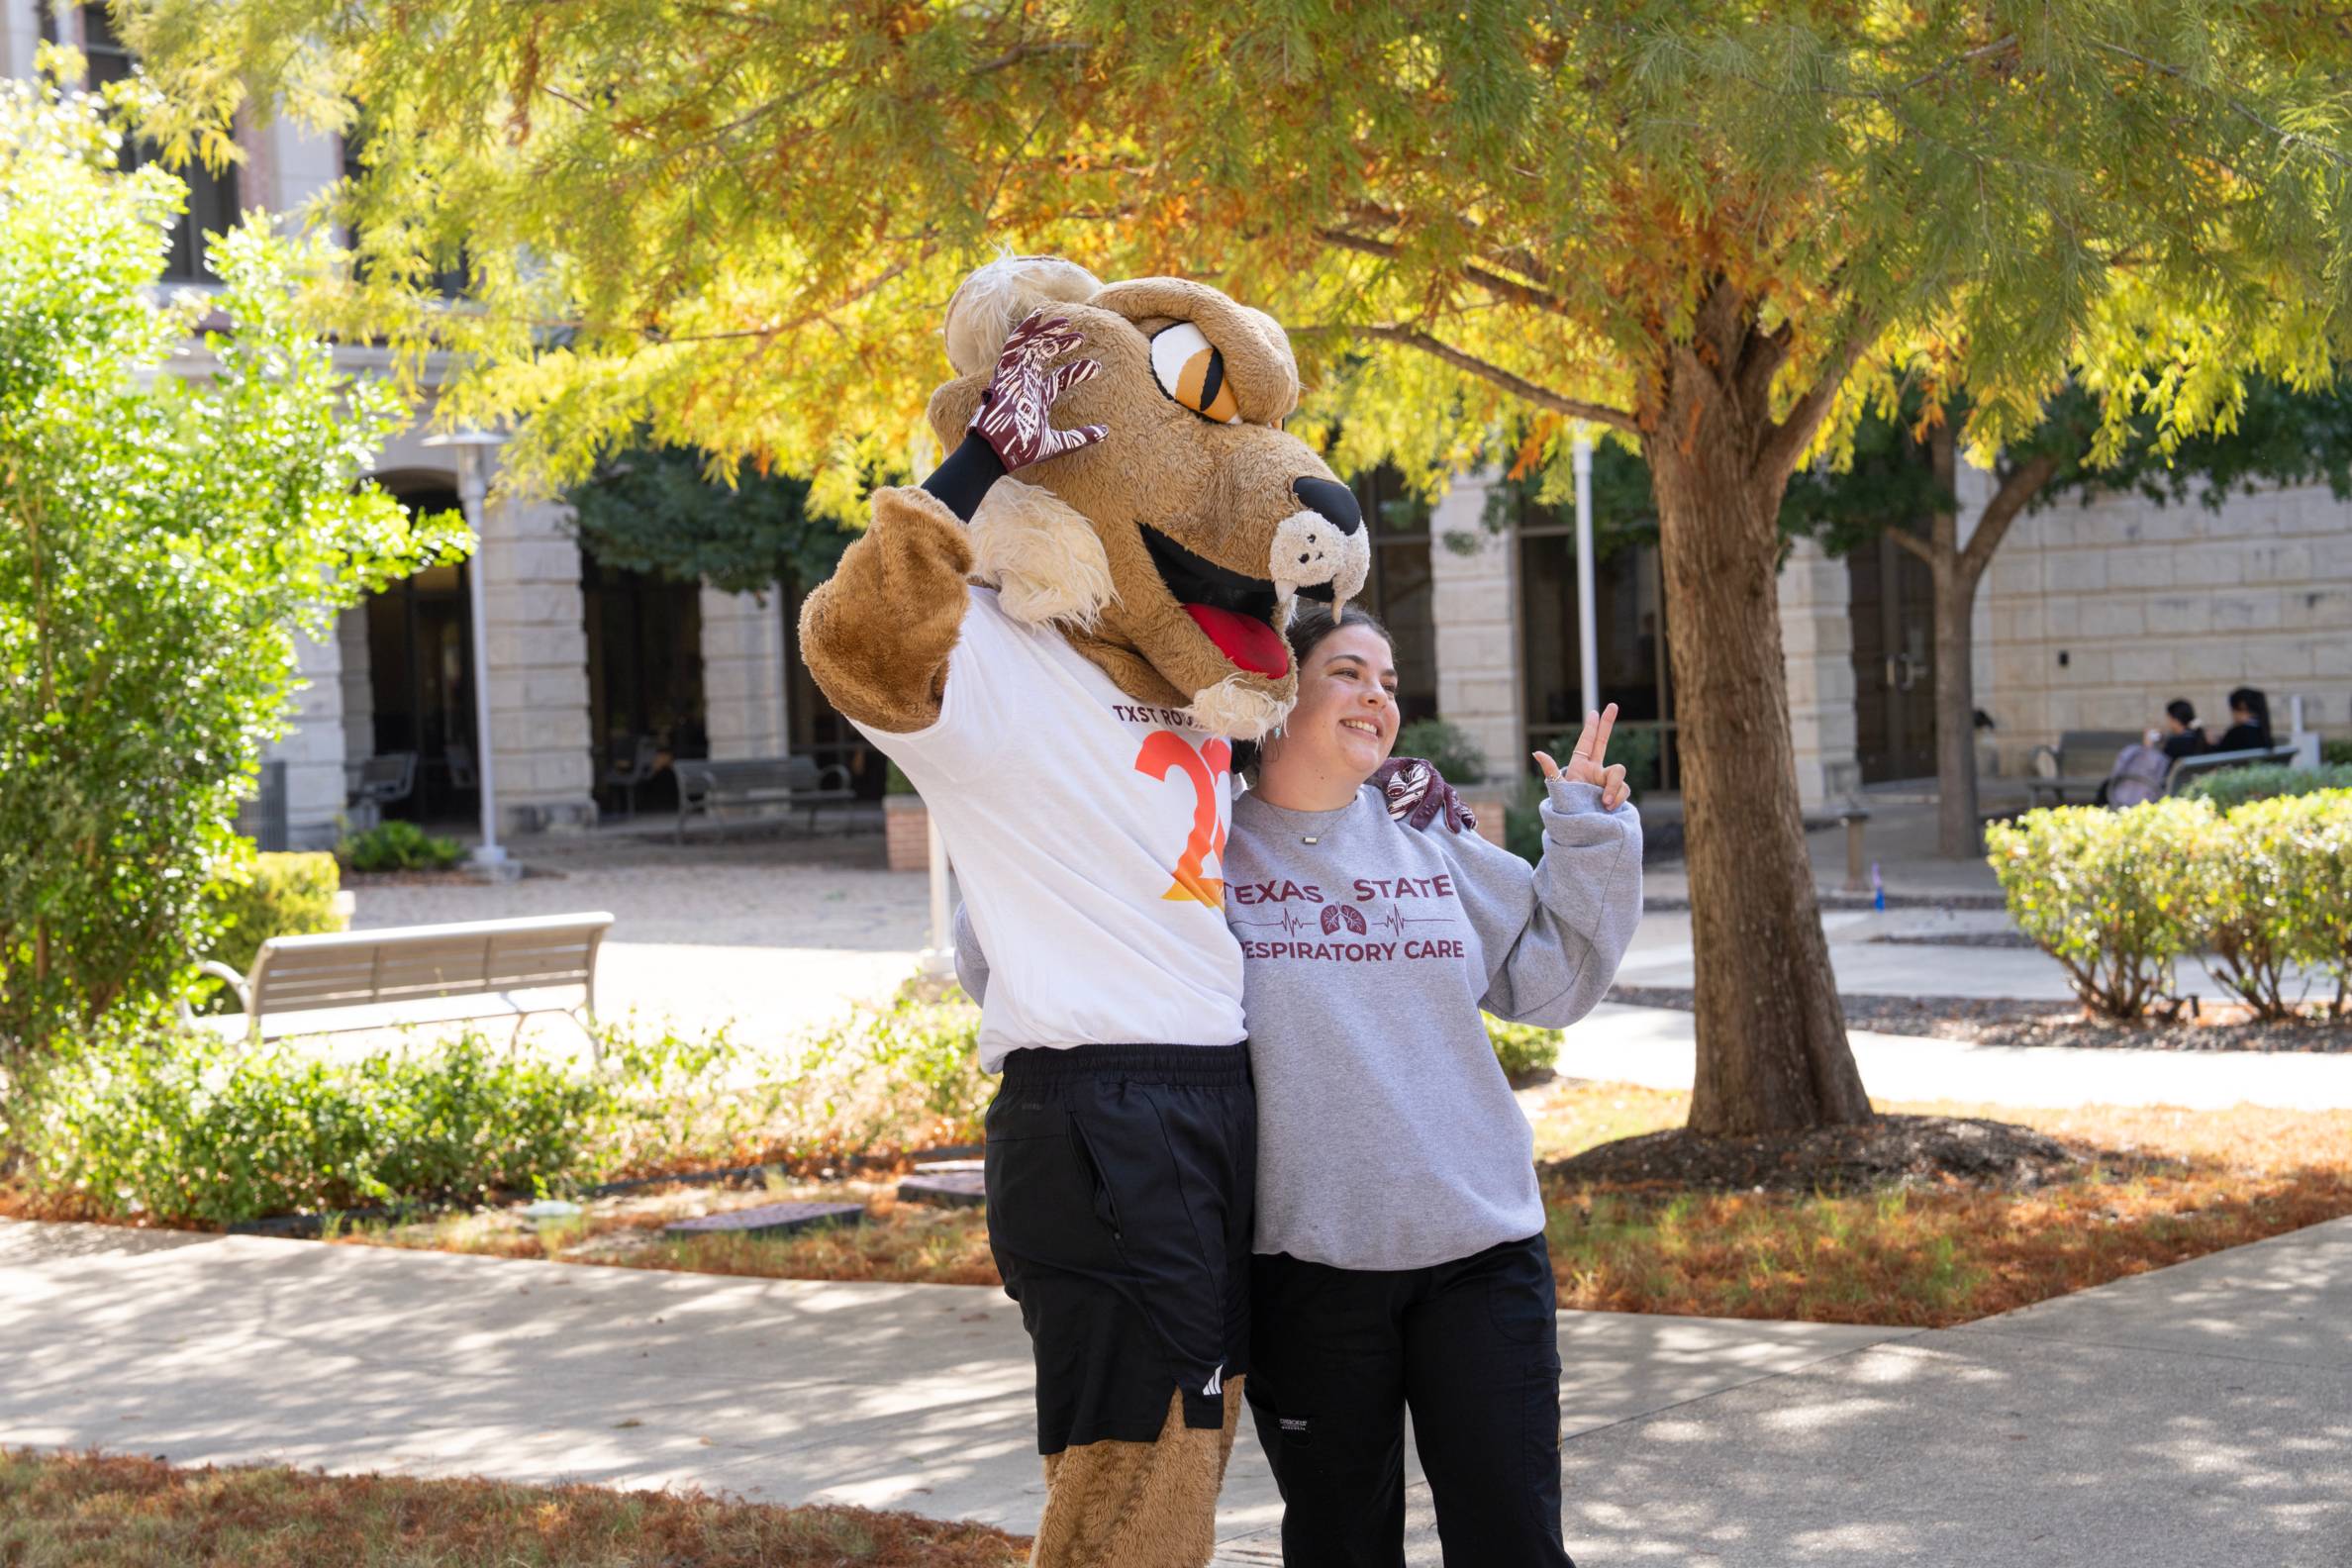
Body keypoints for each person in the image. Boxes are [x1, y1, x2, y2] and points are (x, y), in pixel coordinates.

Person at [960, 604, 1642, 1566]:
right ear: (1278, 693)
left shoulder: (1427, 839)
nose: (1378, 699)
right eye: (1350, 673)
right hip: (1306, 1274)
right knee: (1340, 1547)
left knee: (1514, 1542)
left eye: (1390, 684)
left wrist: (1588, 832)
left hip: (1482, 1252)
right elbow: (1026, 953)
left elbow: (1553, 979)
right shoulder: (1197, 846)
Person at [2100, 699, 2206, 807]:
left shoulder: (2176, 743)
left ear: (2175, 720)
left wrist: (2148, 746)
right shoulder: (2196, 738)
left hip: (2160, 787)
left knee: (2107, 786)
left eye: (2168, 718)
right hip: (2181, 785)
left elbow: (2153, 765)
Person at [2210, 686, 2274, 753]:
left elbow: (2219, 755)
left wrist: (2210, 744)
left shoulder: (2238, 732)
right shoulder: (2262, 730)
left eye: (2233, 710)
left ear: (2242, 706)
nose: (2233, 715)